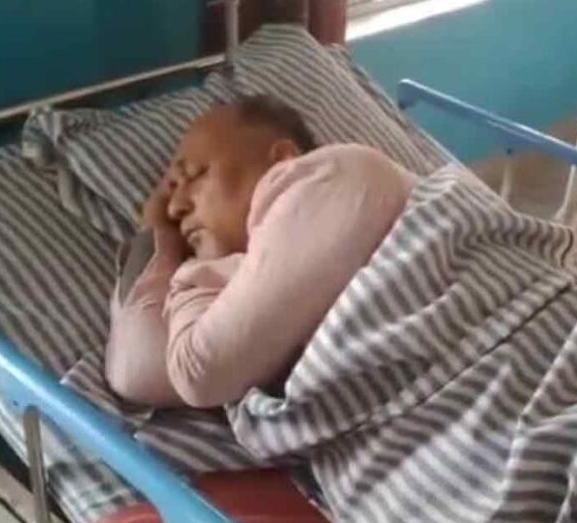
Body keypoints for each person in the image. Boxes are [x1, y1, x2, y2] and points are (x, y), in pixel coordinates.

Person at [105, 95, 415, 407]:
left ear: (282, 161)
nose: (174, 208)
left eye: (194, 175)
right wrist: (158, 236)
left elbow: (199, 373)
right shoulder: (237, 293)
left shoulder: (342, 174)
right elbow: (138, 372)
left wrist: (193, 272)